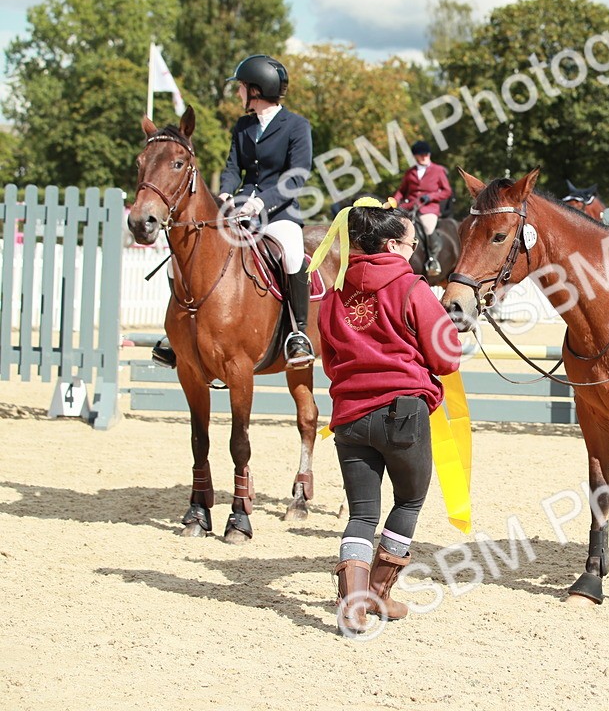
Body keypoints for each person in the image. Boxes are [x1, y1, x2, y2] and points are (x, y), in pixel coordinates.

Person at [309, 198, 462, 634]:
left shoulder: (336, 290)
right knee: (409, 500)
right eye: (411, 244)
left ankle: (353, 605)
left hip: (350, 415)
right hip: (404, 413)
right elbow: (447, 359)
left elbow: (330, 358)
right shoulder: (412, 288)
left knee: (361, 514)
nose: (415, 252)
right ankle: (378, 592)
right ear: (392, 243)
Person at [151, 54, 316, 370]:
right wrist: (226, 193)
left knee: (293, 253)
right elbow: (231, 167)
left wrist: (261, 202)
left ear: (255, 90)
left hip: (278, 213)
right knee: (180, 259)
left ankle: (298, 334)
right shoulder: (243, 126)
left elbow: (297, 175)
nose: (238, 93)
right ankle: (177, 335)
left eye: (241, 88)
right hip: (237, 210)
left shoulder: (296, 126)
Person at [391, 140, 452, 276]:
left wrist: (431, 197)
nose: (424, 157)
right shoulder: (410, 172)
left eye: (426, 154)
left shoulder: (438, 170)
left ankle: (432, 260)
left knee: (427, 228)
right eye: (421, 155)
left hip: (428, 208)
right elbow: (402, 190)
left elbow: (446, 191)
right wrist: (394, 201)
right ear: (415, 156)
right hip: (409, 207)